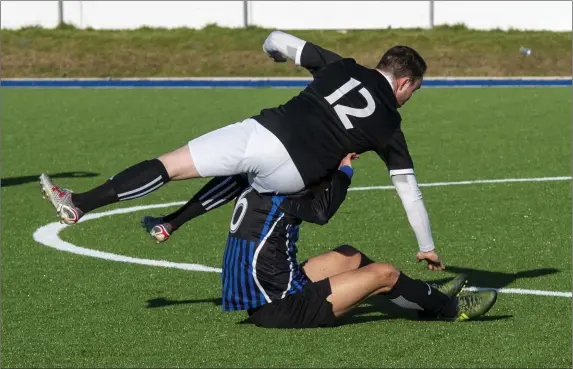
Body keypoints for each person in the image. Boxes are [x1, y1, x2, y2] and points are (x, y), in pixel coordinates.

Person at [40, 30, 443, 270]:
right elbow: (410, 192)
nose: (410, 98)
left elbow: (277, 39)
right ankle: (171, 223)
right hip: (292, 176)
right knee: (248, 177)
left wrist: (272, 52)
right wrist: (426, 246)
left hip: (264, 133)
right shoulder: (391, 125)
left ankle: (80, 204)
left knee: (170, 165)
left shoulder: (340, 64)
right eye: (415, 91)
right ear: (405, 83)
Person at [169, 153, 497, 328]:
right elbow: (322, 210)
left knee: (350, 256)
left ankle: (424, 300)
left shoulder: (261, 183)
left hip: (268, 291)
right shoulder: (280, 196)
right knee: (384, 273)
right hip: (280, 306)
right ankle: (451, 309)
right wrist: (344, 170)